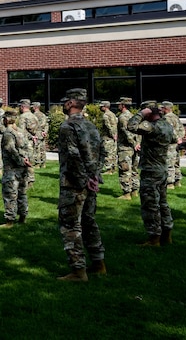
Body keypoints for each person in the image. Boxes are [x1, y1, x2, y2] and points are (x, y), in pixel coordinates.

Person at [57, 88, 105, 282]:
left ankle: (78, 270)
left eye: (65, 102)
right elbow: (102, 153)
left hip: (74, 184)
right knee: (89, 221)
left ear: (70, 104)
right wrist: (94, 176)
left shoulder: (67, 127)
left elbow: (73, 157)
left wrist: (83, 180)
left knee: (70, 226)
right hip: (90, 182)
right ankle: (99, 263)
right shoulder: (91, 126)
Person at [127, 104, 176, 246]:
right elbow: (173, 139)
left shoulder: (151, 126)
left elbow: (131, 126)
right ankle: (167, 235)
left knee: (150, 204)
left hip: (151, 170)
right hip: (162, 168)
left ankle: (154, 238)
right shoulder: (167, 125)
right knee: (163, 203)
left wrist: (141, 114)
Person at [0, 108, 33, 227]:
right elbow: (29, 147)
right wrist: (27, 161)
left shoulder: (8, 133)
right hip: (23, 168)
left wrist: (20, 161)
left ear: (7, 119)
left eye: (4, 118)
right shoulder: (21, 131)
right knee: (22, 193)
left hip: (12, 169)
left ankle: (10, 220)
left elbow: (10, 150)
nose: (3, 120)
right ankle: (23, 216)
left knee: (10, 194)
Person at [116, 98, 141, 200]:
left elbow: (127, 133)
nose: (117, 106)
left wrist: (134, 143)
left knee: (125, 169)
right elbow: (138, 131)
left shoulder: (122, 117)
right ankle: (135, 191)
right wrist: (138, 143)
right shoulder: (133, 116)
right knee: (134, 169)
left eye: (119, 104)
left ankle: (126, 193)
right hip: (134, 147)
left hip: (126, 148)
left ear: (123, 105)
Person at [160, 101, 185, 189]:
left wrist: (176, 138)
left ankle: (170, 183)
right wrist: (180, 138)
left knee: (169, 163)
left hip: (170, 144)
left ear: (165, 109)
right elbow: (182, 129)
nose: (160, 110)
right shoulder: (175, 117)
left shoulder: (166, 118)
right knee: (176, 163)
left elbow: (171, 131)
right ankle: (178, 181)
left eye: (162, 108)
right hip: (176, 144)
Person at [16, 99, 39, 188]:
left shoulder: (23, 117)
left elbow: (21, 132)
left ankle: (27, 181)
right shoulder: (34, 116)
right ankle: (31, 181)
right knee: (30, 161)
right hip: (33, 141)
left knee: (25, 161)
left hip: (26, 142)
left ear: (22, 107)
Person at [99, 101, 118, 174]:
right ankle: (113, 168)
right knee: (113, 153)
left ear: (105, 107)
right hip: (114, 136)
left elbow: (108, 126)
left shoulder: (105, 115)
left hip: (108, 137)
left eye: (101, 106)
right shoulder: (112, 114)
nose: (100, 108)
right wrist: (115, 135)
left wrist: (112, 135)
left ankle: (109, 169)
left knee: (107, 153)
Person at [32, 102, 49, 168]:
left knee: (37, 148)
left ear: (35, 107)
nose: (32, 107)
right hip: (42, 134)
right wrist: (45, 132)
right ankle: (43, 163)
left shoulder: (34, 115)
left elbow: (33, 125)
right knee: (42, 149)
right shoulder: (43, 115)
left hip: (37, 133)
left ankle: (37, 164)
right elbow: (46, 124)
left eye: (33, 106)